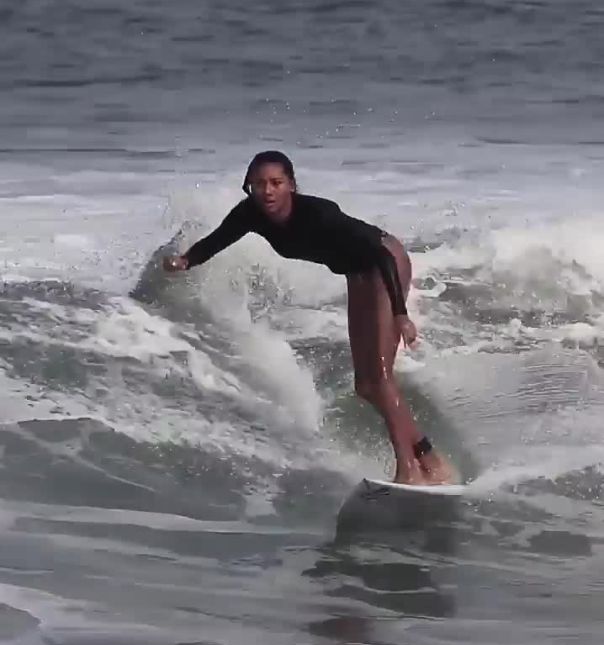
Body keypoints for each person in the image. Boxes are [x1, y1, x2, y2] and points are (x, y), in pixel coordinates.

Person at [158, 150, 454, 485]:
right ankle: (431, 459)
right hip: (357, 273)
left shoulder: (319, 214)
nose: (267, 191)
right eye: (258, 184)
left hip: (383, 263)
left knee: (381, 377)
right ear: (249, 187)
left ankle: (409, 469)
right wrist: (185, 261)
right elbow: (218, 240)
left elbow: (380, 254)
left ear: (291, 186)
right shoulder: (250, 214)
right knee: (366, 386)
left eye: (275, 183)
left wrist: (401, 315)